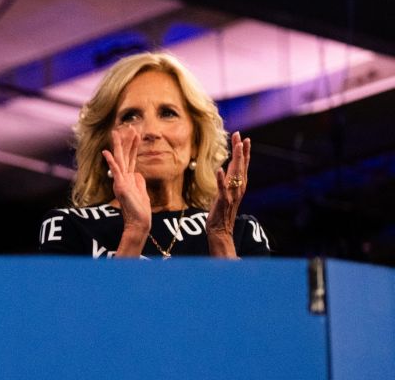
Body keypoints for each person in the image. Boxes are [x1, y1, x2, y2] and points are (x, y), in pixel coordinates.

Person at [38, 52, 271, 259]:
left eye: (168, 113)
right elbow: (73, 309)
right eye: (130, 117)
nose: (151, 131)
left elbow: (252, 309)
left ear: (196, 141)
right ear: (105, 143)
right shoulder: (69, 228)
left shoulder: (241, 233)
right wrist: (134, 232)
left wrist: (221, 239)